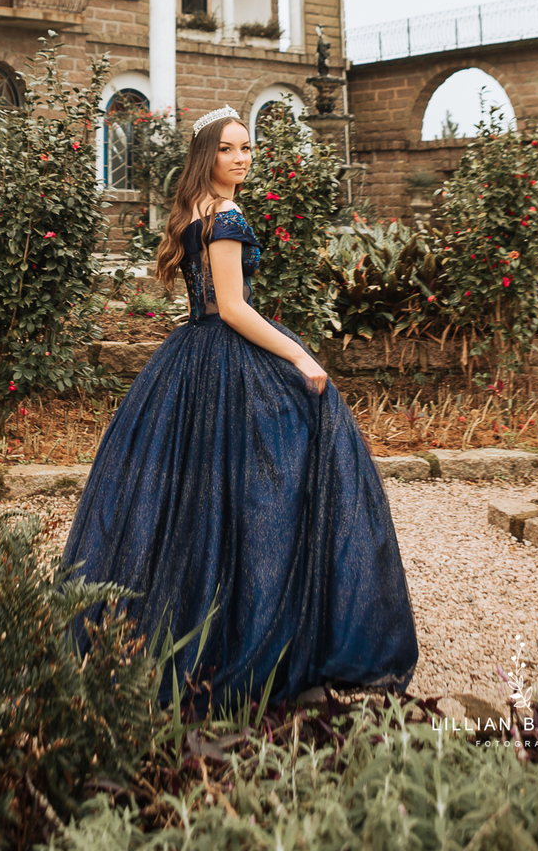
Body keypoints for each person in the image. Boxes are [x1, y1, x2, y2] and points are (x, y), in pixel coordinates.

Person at [61, 104, 418, 708]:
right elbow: (232, 308)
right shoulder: (224, 214)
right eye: (229, 149)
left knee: (198, 499)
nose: (242, 158)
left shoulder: (194, 211)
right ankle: (262, 630)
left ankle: (194, 622)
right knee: (282, 463)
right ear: (209, 156)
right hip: (222, 354)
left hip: (191, 357)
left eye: (247, 148)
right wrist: (302, 359)